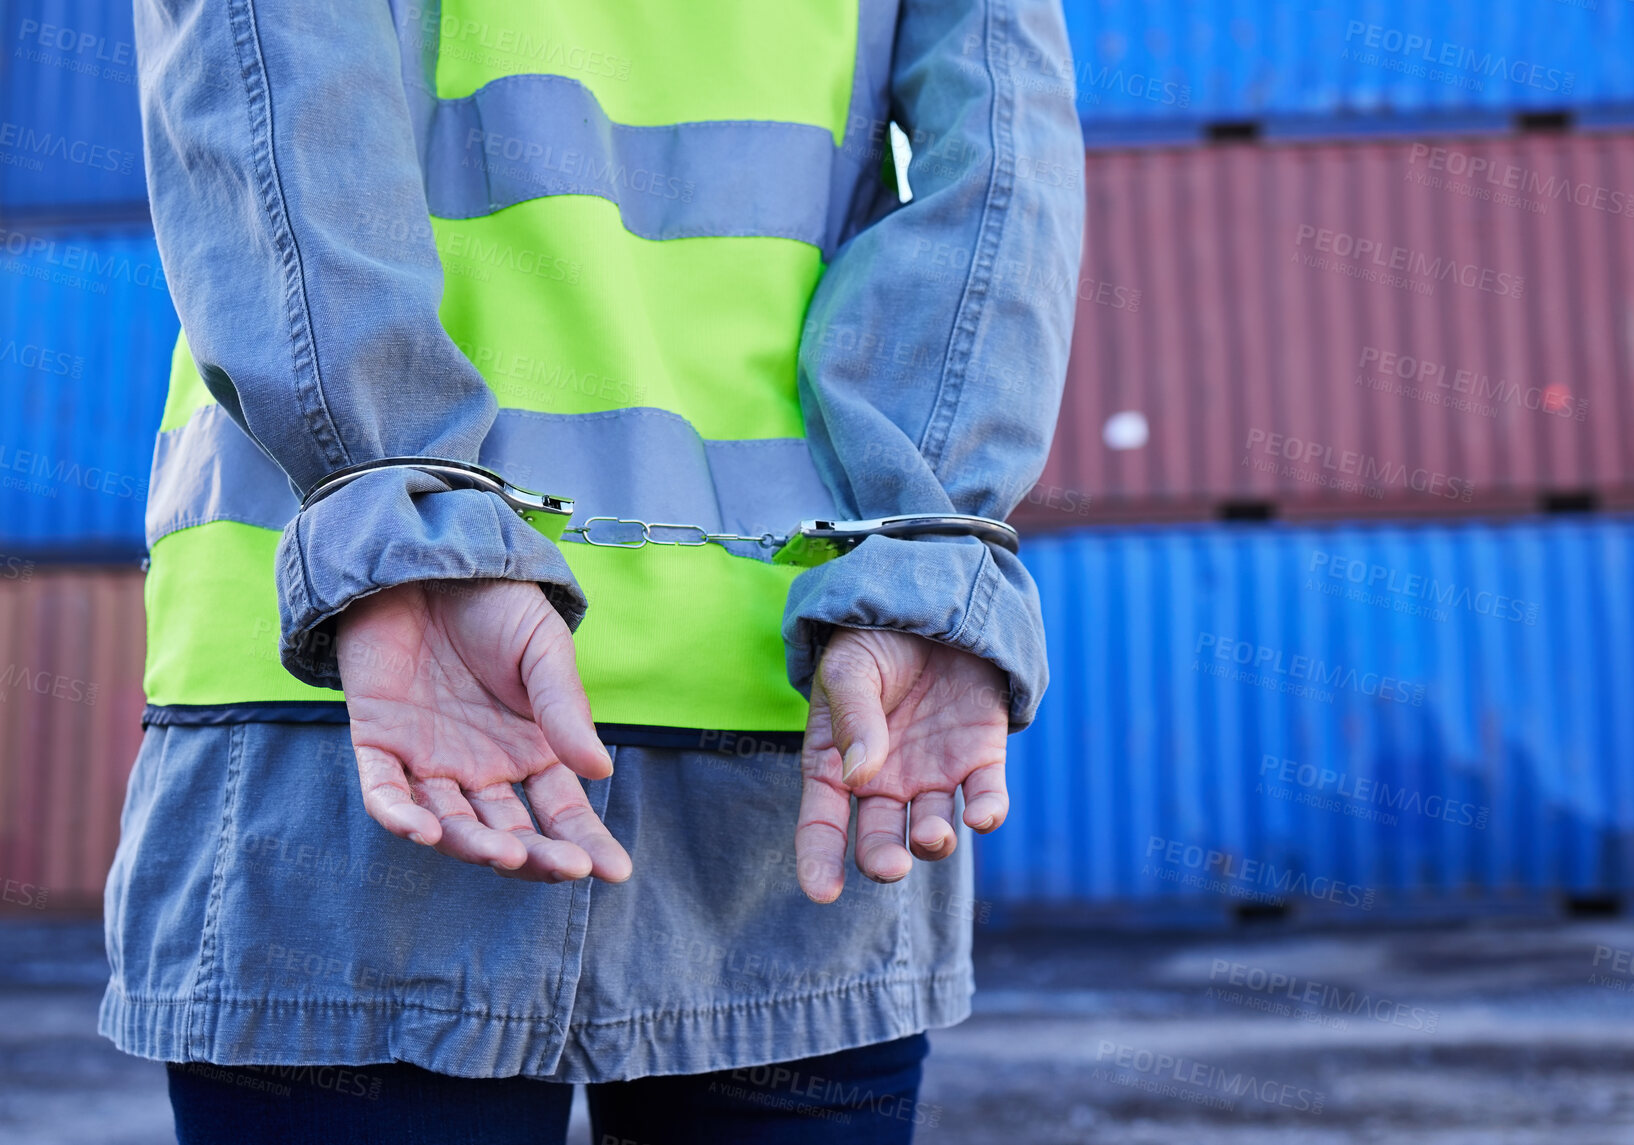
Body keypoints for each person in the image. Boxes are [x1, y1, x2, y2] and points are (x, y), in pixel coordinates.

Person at [103, 0, 1083, 1141]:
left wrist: (390, 499)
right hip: (807, 705)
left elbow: (266, 78)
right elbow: (1000, 154)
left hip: (362, 672)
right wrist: (931, 535)